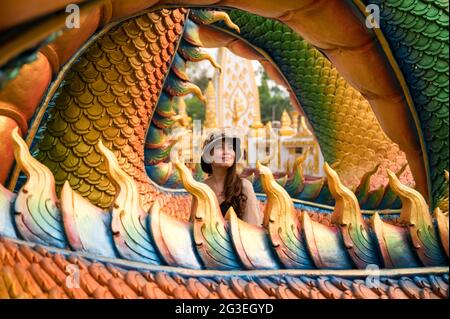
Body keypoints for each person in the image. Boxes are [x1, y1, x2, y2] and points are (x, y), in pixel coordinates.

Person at [190, 131, 263, 226]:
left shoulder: (244, 186)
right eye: (220, 147)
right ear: (208, 156)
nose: (227, 152)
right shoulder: (201, 188)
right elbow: (193, 226)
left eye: (231, 148)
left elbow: (253, 230)